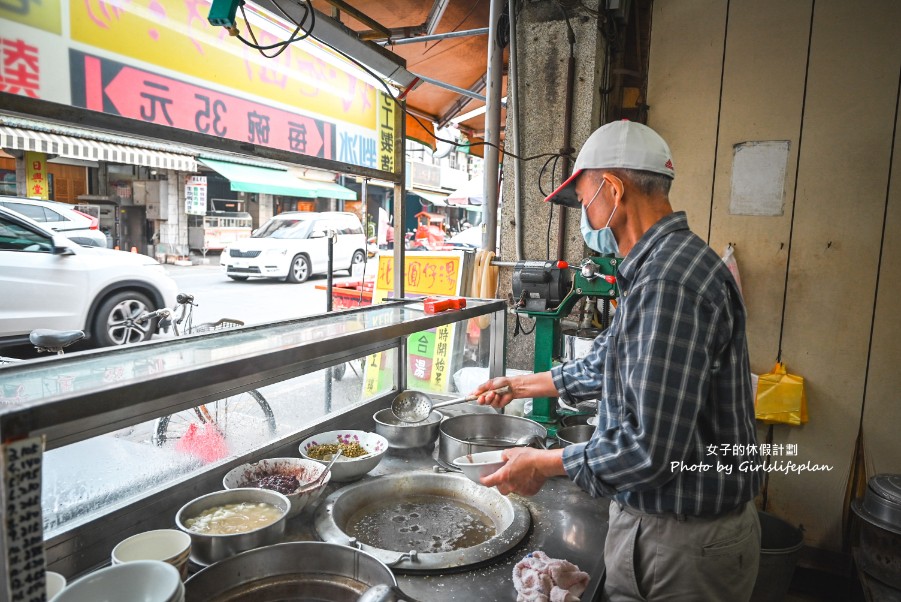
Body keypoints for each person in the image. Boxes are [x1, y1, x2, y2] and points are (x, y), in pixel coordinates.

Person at [472, 120, 762, 601]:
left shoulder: (668, 281)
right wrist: (517, 386)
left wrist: (541, 464)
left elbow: (649, 449)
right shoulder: (659, 265)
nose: (585, 217)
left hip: (683, 544)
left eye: (585, 200)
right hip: (672, 532)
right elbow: (606, 363)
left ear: (611, 189)